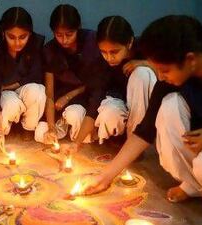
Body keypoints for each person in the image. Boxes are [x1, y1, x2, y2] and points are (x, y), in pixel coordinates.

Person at [84, 15, 202, 210]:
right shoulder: (169, 81)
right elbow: (145, 130)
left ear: (190, 59)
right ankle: (193, 184)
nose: (160, 76)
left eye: (164, 70)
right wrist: (105, 176)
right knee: (169, 105)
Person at [65, 15, 157, 153]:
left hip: (149, 111)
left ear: (130, 42)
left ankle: (135, 143)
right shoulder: (101, 65)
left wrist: (145, 63)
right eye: (104, 52)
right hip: (119, 105)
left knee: (142, 73)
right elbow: (95, 103)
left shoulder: (146, 48)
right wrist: (76, 144)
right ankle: (120, 140)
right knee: (109, 113)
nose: (109, 57)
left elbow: (175, 67)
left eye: (114, 52)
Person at [34, 4, 102, 145]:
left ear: (78, 28)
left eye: (69, 34)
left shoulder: (92, 42)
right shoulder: (50, 50)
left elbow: (98, 83)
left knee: (76, 118)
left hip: (88, 95)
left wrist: (69, 96)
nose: (64, 40)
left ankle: (77, 131)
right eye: (59, 35)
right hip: (60, 98)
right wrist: (51, 128)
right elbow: (50, 94)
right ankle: (61, 128)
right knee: (41, 134)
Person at [0, 7, 46, 152]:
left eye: (23, 37)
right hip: (5, 95)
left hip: (20, 89)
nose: (17, 43)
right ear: (2, 33)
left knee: (37, 90)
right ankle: (5, 131)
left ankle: (27, 128)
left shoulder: (35, 46)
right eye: (11, 37)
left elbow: (37, 76)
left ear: (30, 34)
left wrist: (11, 85)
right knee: (10, 103)